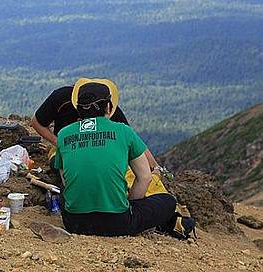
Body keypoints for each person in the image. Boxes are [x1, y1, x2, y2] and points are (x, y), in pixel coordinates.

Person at [53, 78, 180, 237]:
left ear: (78, 108)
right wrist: (132, 204)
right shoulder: (123, 131)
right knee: (168, 201)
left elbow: (65, 180)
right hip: (117, 223)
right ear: (108, 106)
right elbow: (145, 177)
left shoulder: (63, 134)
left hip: (74, 223)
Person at [31, 85, 161, 171]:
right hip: (69, 149)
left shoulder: (110, 108)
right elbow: (37, 122)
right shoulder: (61, 98)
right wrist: (58, 142)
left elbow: (135, 143)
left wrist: (155, 167)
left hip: (100, 150)